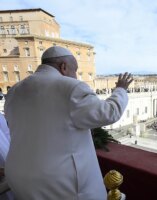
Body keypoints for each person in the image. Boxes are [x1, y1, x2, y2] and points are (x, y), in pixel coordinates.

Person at [4, 46, 133, 200]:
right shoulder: (71, 87)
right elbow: (109, 112)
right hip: (59, 184)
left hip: (18, 177)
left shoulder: (14, 91)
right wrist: (120, 89)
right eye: (75, 70)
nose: (76, 76)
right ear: (63, 67)